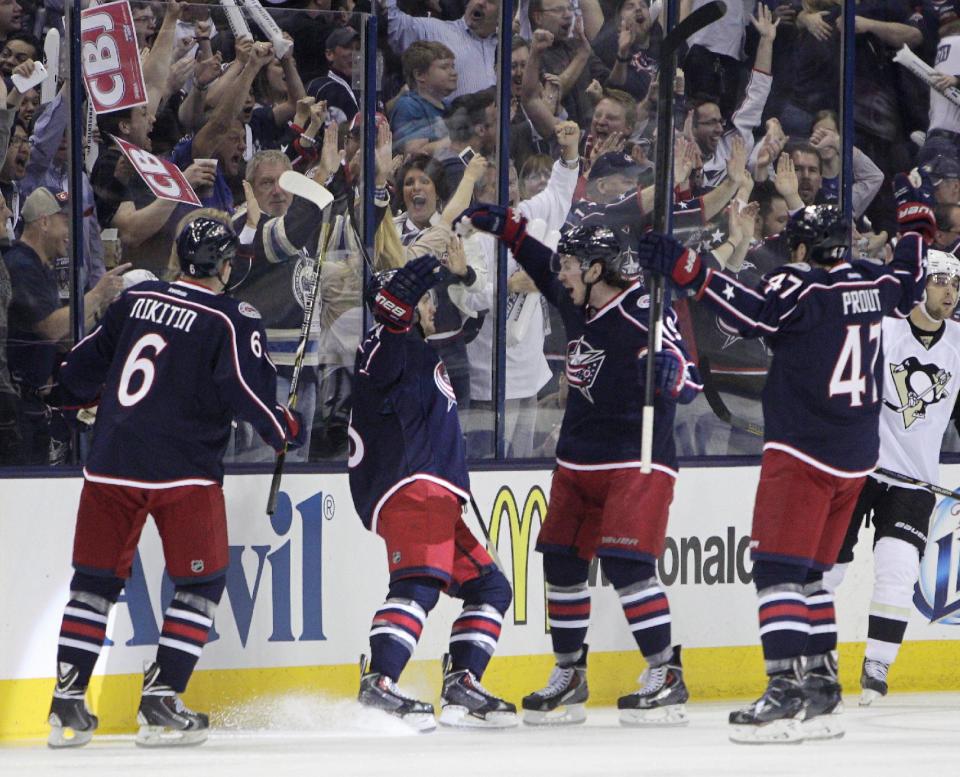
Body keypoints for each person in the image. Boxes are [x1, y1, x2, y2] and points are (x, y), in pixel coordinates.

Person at [632, 186, 930, 742]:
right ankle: (820, 685)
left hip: (804, 452)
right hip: (856, 458)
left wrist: (688, 267)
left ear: (802, 247)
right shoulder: (872, 281)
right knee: (812, 576)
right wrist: (916, 226)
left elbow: (753, 315)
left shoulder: (802, 285)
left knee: (776, 572)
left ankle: (783, 688)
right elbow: (909, 276)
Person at [46, 214, 304, 748]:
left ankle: (67, 704)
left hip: (110, 462)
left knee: (94, 583)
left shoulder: (135, 301)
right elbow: (247, 394)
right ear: (224, 265)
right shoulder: (230, 317)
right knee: (202, 582)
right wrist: (283, 428)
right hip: (182, 472)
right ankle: (161, 699)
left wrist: (64, 399)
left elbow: (75, 373)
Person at [456, 207, 701, 727]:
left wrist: (670, 375)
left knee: (627, 564)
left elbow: (690, 377)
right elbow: (542, 264)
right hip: (578, 457)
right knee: (561, 560)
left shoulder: (645, 310)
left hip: (637, 458)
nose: (561, 272)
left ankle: (666, 673)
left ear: (595, 269)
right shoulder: (576, 299)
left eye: (571, 263)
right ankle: (569, 674)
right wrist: (508, 229)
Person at [349, 254, 517, 732]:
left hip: (437, 494)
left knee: (490, 586)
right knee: (419, 582)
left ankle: (462, 683)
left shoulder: (417, 350)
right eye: (423, 299)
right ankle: (379, 681)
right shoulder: (385, 345)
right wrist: (408, 284)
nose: (428, 308)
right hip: (411, 487)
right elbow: (393, 315)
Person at [824, 249, 960, 704]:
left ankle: (878, 664)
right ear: (921, 284)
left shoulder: (959, 343)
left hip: (914, 482)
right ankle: (813, 653)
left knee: (899, 571)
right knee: (829, 567)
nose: (950, 292)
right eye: (941, 281)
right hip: (859, 468)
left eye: (956, 285)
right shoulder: (884, 331)